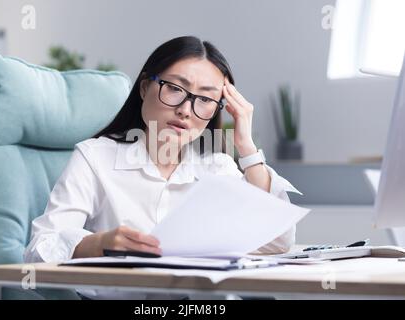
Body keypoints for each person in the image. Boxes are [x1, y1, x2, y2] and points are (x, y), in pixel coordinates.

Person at [24, 36, 301, 299]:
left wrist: (247, 149)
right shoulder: (95, 157)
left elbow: (276, 243)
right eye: (175, 89)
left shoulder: (216, 168)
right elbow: (39, 249)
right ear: (145, 88)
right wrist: (97, 244)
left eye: (205, 99)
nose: (185, 110)